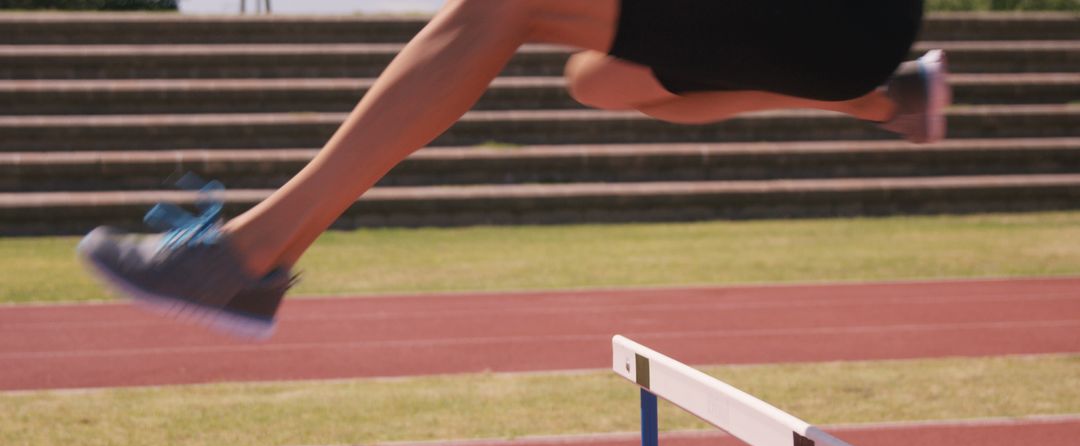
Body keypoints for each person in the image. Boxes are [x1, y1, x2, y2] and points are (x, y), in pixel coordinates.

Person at [77, 0, 949, 339]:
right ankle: (886, 101)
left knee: (505, 2)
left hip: (839, 13)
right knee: (602, 81)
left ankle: (241, 256)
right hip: (847, 35)